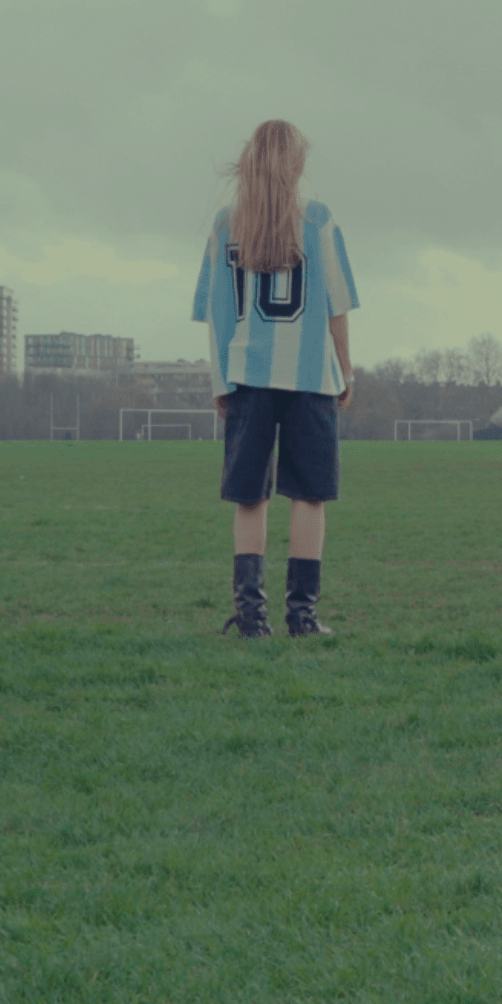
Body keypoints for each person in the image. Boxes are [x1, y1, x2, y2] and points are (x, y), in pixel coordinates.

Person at [194, 118, 361, 638]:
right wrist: (346, 366)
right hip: (311, 375)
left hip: (247, 374)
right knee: (309, 496)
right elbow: (337, 306)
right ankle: (303, 618)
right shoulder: (320, 219)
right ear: (295, 165)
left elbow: (218, 313)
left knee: (251, 497)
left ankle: (251, 618)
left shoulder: (226, 223)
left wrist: (221, 381)